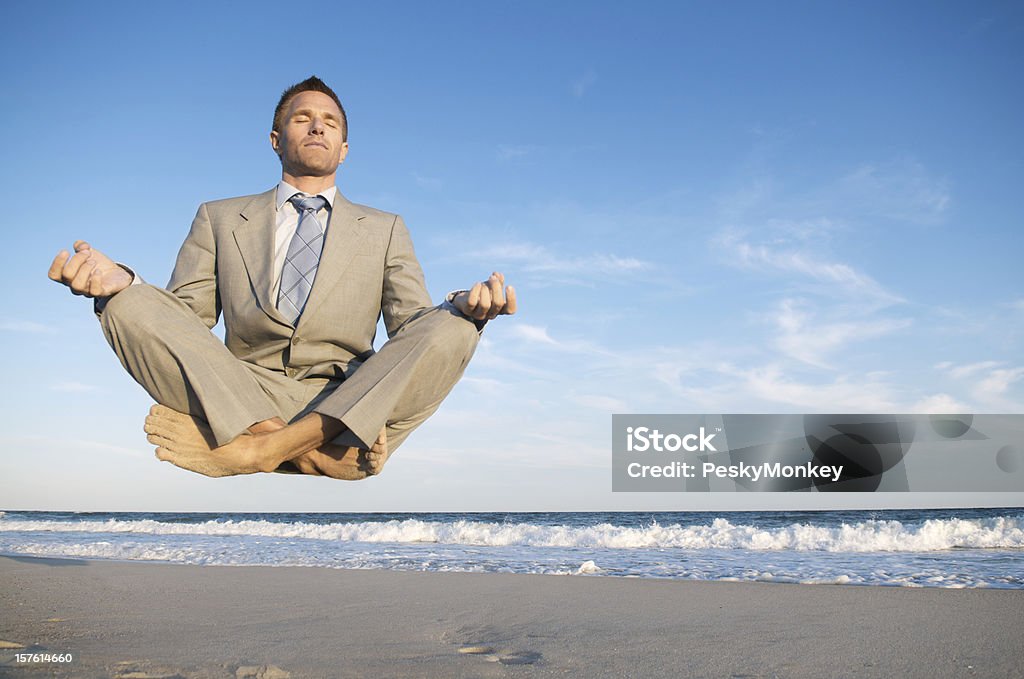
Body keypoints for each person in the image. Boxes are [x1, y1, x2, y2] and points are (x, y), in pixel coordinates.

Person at [47, 76, 516, 480]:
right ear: (275, 139)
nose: (318, 126)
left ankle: (260, 450)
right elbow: (185, 319)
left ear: (345, 149)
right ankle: (315, 457)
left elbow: (412, 327)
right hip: (241, 391)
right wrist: (124, 284)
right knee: (126, 304)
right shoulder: (219, 217)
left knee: (453, 326)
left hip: (348, 396)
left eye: (330, 122)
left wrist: (464, 308)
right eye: (303, 118)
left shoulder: (386, 227)